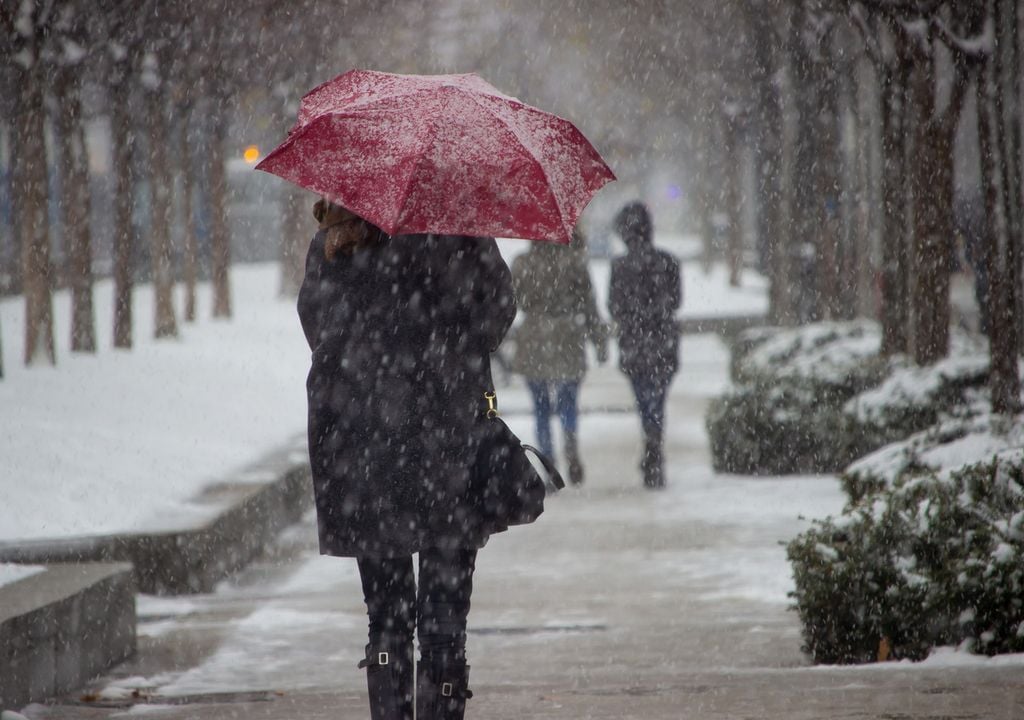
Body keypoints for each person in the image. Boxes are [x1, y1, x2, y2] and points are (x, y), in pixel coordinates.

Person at [298, 198, 535, 720]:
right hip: (448, 445)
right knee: (446, 617)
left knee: (385, 616)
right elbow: (495, 321)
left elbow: (319, 332)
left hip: (362, 451)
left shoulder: (337, 238)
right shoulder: (461, 233)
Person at [508, 228, 608, 485]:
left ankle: (548, 461)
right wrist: (599, 341)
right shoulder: (574, 262)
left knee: (540, 407)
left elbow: (512, 301)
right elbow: (590, 304)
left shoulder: (522, 264)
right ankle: (571, 445)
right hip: (568, 337)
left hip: (533, 339)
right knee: (568, 401)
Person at [609, 201, 681, 489]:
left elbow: (614, 307)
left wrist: (633, 314)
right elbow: (676, 302)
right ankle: (654, 444)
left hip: (634, 342)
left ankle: (651, 441)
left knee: (644, 399)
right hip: (663, 341)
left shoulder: (619, 266)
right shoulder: (669, 261)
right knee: (658, 398)